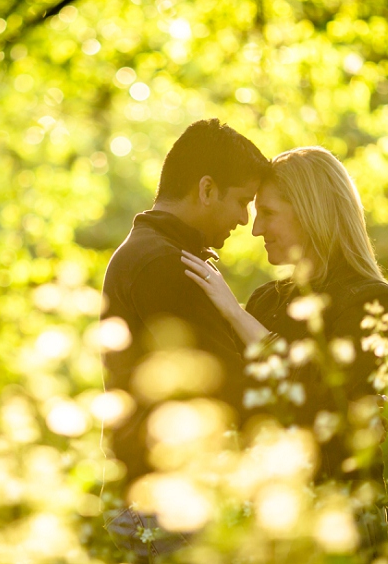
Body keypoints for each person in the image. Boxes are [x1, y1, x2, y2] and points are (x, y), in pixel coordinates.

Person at [181, 145, 388, 558]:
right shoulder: (266, 301)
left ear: (311, 210)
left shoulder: (368, 298)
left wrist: (234, 314)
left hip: (344, 519)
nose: (256, 228)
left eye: (269, 213)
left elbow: (315, 394)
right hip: (273, 521)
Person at [102, 119, 268, 488]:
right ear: (207, 189)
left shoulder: (157, 252)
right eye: (242, 201)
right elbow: (223, 385)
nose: (245, 219)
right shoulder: (163, 263)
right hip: (161, 499)